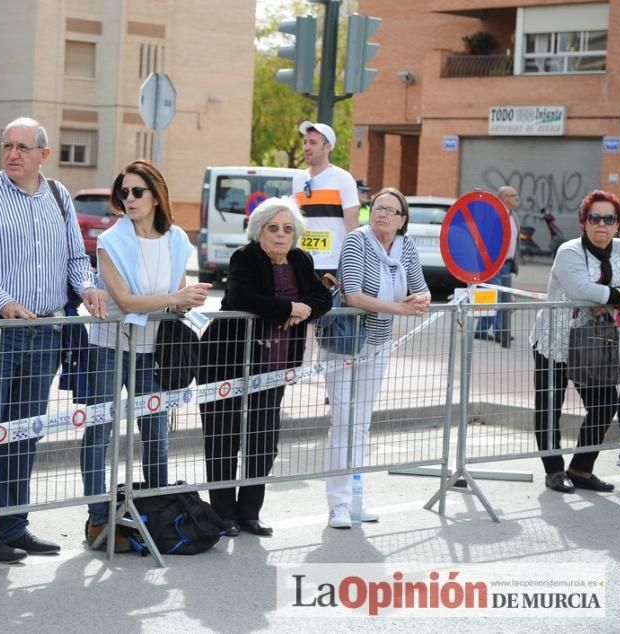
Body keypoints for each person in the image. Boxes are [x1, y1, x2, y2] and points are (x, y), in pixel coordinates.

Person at [0, 117, 108, 563]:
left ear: (43, 154)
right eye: (6, 145)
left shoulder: (58, 195)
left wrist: (88, 286)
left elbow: (76, 257)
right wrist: (2, 302)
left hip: (46, 331)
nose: (12, 153)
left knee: (25, 432)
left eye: (22, 146)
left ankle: (13, 525)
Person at [81, 160, 210, 551]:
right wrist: (174, 299)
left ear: (156, 195)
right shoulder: (112, 241)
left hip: (153, 348)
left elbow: (182, 298)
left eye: (137, 191)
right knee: (99, 431)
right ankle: (98, 519)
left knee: (156, 432)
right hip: (109, 345)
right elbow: (125, 300)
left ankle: (155, 511)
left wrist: (180, 303)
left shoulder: (176, 241)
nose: (129, 199)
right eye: (124, 192)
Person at [199, 197, 331, 536]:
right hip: (226, 360)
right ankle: (223, 514)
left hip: (274, 366)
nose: (280, 235)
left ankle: (249, 513)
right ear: (259, 231)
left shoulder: (301, 260)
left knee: (263, 441)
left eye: (288, 229)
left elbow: (323, 298)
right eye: (273, 228)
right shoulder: (245, 257)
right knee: (224, 437)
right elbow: (242, 298)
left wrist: (304, 309)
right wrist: (289, 308)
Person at [325, 187, 430, 530]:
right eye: (377, 208)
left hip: (380, 342)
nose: (381, 214)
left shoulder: (406, 246)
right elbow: (353, 295)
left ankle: (356, 498)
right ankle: (337, 504)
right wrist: (401, 307)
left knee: (362, 422)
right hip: (346, 342)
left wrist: (420, 300)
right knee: (343, 420)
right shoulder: (357, 241)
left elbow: (419, 287)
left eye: (390, 210)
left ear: (402, 220)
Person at [531, 190, 620, 495]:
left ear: (618, 224)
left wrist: (604, 298)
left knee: (605, 402)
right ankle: (554, 471)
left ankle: (581, 469)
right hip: (554, 343)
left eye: (609, 218)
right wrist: (617, 296)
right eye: (594, 217)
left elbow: (591, 292)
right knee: (549, 408)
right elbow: (578, 289)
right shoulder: (569, 251)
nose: (601, 224)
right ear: (584, 222)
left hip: (594, 343)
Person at [291, 121, 360, 277]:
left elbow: (353, 226)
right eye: (305, 142)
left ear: (328, 147)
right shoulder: (298, 180)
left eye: (313, 143)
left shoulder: (343, 179)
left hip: (333, 265)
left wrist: (354, 265)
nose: (306, 147)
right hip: (303, 262)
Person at [475, 185, 520, 348]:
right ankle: (502, 333)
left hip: (506, 264)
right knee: (498, 297)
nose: (517, 198)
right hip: (494, 264)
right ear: (503, 198)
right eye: (513, 195)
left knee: (493, 296)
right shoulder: (494, 215)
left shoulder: (512, 216)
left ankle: (481, 329)